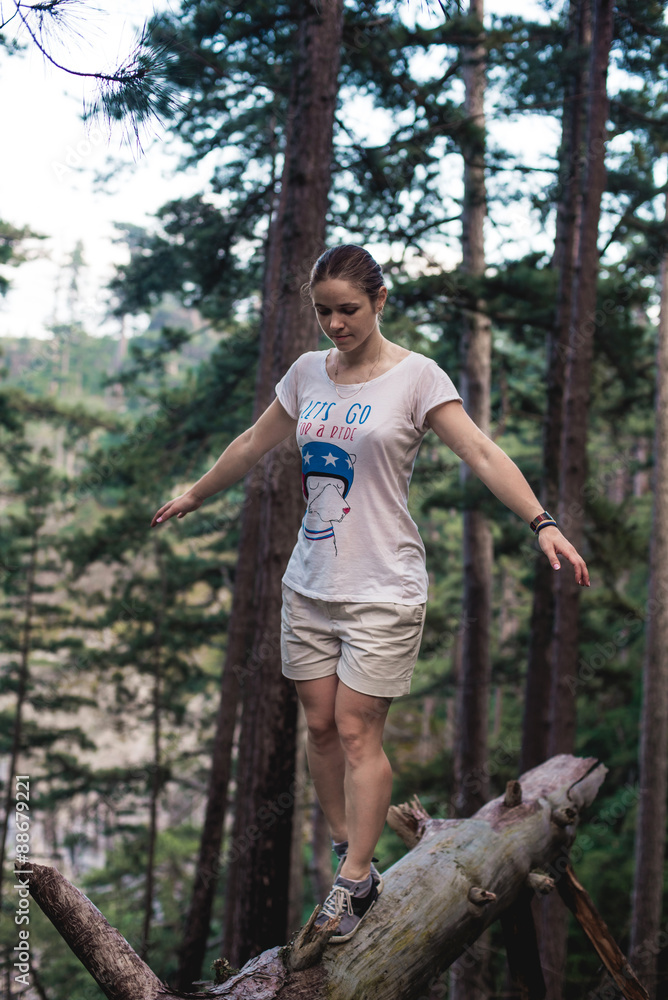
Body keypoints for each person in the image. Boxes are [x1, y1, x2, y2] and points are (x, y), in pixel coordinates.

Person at [151, 244, 590, 944]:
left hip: (384, 588)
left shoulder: (417, 378)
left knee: (358, 729)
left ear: (380, 301)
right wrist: (194, 494)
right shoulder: (305, 375)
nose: (335, 323)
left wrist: (542, 521)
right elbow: (254, 440)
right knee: (320, 727)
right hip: (311, 584)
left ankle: (355, 881)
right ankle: (346, 856)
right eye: (323, 311)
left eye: (348, 309)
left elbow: (479, 451)